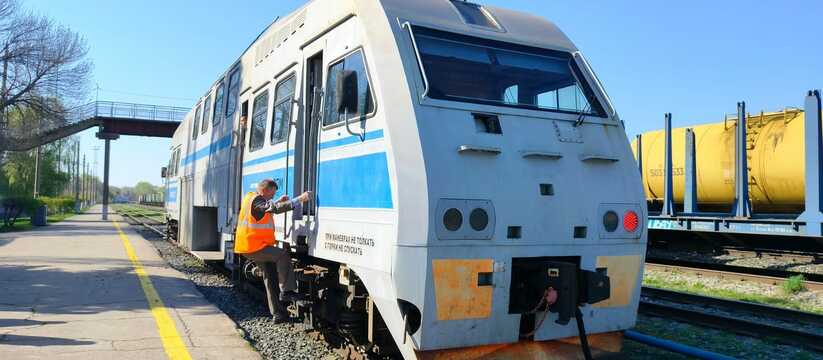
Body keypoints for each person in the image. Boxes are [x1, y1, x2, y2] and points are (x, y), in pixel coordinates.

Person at [235, 178, 312, 322]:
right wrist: (300, 199)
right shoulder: (256, 200)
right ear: (265, 190)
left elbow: (268, 207)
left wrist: (278, 201)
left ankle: (278, 314)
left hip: (253, 246)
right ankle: (287, 291)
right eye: (272, 193)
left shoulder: (251, 198)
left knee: (270, 277)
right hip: (254, 247)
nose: (272, 196)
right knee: (282, 255)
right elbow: (272, 209)